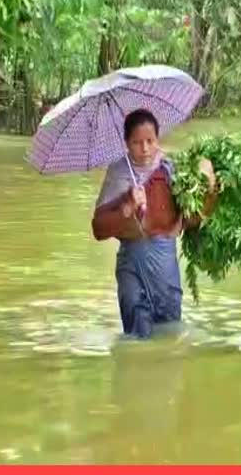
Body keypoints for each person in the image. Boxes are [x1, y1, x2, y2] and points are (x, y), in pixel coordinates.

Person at [91, 109, 218, 339]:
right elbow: (98, 229)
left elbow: (193, 219)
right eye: (137, 143)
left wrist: (209, 187)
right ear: (126, 144)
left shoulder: (172, 169)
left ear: (158, 139)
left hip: (164, 268)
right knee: (136, 337)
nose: (145, 149)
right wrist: (126, 207)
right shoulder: (118, 173)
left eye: (150, 141)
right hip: (131, 265)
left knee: (168, 336)